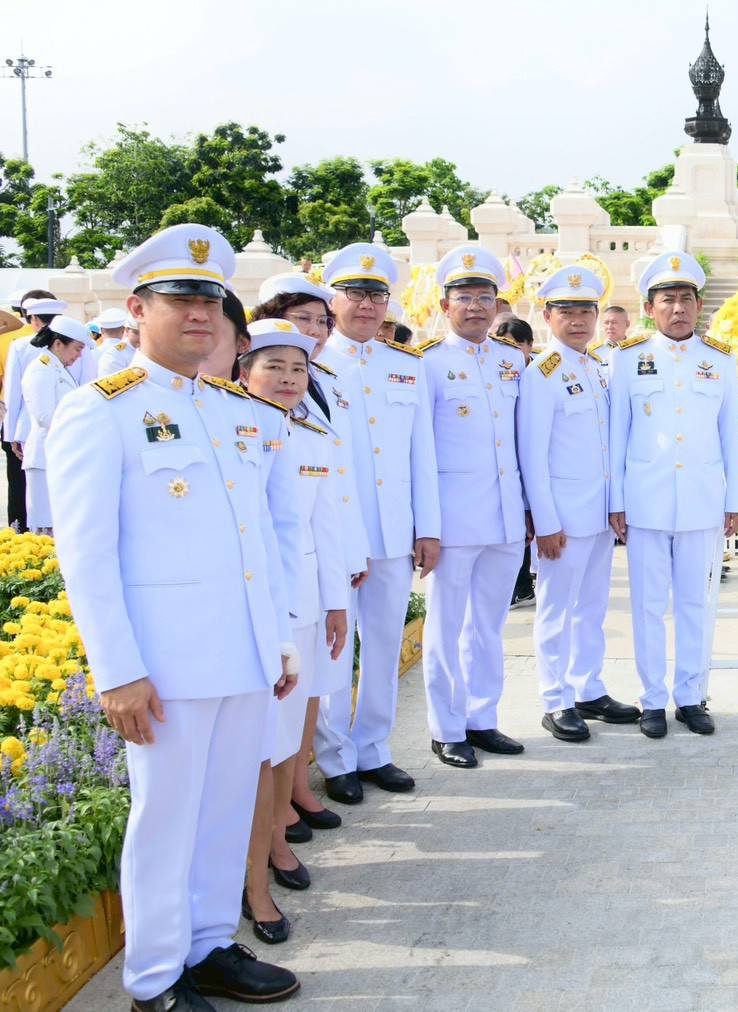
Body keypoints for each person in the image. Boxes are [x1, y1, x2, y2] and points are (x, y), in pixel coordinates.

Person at [48, 223, 302, 1009]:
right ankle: (155, 977)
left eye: (209, 301)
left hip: (242, 655)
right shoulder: (101, 411)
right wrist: (118, 671)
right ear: (136, 309)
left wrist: (277, 640)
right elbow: (87, 555)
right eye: (178, 298)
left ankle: (209, 943)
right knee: (165, 819)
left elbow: (261, 539)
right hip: (163, 666)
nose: (198, 314)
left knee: (224, 811)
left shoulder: (233, 410)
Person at [313, 242, 440, 803]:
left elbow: (421, 455)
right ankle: (335, 757)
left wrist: (427, 528)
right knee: (335, 652)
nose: (366, 305)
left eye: (376, 295)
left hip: (392, 532)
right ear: (333, 300)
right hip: (337, 535)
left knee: (385, 646)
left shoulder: (407, 367)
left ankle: (374, 748)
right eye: (355, 293)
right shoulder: (312, 365)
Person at [236, 319, 349, 944]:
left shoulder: (312, 436)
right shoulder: (228, 429)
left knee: (283, 746)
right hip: (245, 612)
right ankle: (253, 879)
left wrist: (335, 602)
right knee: (257, 750)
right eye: (273, 366)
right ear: (244, 370)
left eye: (298, 369)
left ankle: (277, 839)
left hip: (301, 608)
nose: (287, 379)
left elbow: (323, 525)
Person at [608, 250, 738, 737]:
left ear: (700, 304)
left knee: (694, 605)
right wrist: (616, 501)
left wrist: (735, 499)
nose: (678, 307)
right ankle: (651, 699)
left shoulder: (719, 360)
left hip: (702, 501)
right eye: (667, 299)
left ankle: (690, 696)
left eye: (687, 298)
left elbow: (731, 434)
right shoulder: (628, 359)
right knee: (647, 606)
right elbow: (617, 434)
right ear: (650, 308)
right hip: (645, 502)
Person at [252, 271, 368, 837]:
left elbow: (336, 490)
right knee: (280, 707)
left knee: (311, 691)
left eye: (320, 323)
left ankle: (296, 788)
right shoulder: (244, 416)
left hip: (318, 569)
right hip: (273, 586)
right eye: (302, 321)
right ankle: (275, 818)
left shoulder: (322, 388)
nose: (314, 333)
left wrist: (345, 569)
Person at [415, 245, 527, 768]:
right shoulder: (428, 364)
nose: (476, 307)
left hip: (505, 516)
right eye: (464, 298)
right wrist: (426, 526)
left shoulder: (511, 361)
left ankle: (482, 717)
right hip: (454, 520)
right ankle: (446, 727)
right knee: (446, 627)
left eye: (484, 297)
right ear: (445, 306)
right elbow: (421, 451)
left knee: (488, 625)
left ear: (496, 304)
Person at [520, 267, 642, 741]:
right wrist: (546, 521)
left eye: (585, 311)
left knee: (591, 608)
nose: (577, 320)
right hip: (564, 518)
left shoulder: (597, 368)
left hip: (598, 515)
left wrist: (615, 507)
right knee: (556, 610)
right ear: (547, 316)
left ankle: (588, 687)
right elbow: (532, 455)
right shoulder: (542, 373)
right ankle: (555, 698)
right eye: (566, 311)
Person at [20, 316, 89, 533]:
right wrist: (80, 427)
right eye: (77, 349)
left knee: (61, 523)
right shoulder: (41, 369)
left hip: (59, 453)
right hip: (44, 456)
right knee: (45, 526)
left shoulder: (56, 368)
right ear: (58, 344)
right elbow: (44, 416)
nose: (79, 356)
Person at [4, 291, 59, 531]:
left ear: (32, 317)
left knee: (20, 486)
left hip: (26, 427)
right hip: (65, 426)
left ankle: (20, 533)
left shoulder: (17, 344)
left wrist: (10, 434)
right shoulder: (75, 342)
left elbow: (12, 392)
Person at [494, 317, 539, 606]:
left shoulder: (539, 373)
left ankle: (523, 584)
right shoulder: (497, 372)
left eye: (517, 344)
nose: (511, 350)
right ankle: (518, 585)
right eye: (505, 343)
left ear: (529, 345)